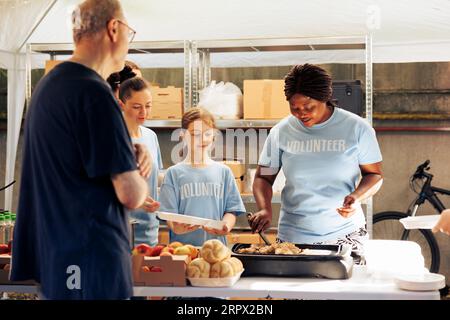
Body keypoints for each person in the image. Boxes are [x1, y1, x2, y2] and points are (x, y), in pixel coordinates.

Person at [11, 0, 151, 300]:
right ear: (114, 28)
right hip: (91, 260)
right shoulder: (94, 93)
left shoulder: (49, 86)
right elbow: (132, 193)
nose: (129, 42)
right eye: (130, 32)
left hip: (60, 258)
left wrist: (128, 151)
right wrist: (138, 171)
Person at [250, 64, 383, 256]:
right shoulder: (281, 131)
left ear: (325, 98)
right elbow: (264, 178)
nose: (301, 113)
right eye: (294, 108)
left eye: (308, 107)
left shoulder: (357, 128)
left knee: (348, 286)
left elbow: (374, 175)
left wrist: (356, 198)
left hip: (345, 234)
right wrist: (264, 209)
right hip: (293, 237)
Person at [158, 107, 246, 246]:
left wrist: (226, 225)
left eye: (207, 134)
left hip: (216, 249)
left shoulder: (224, 172)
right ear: (183, 135)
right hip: (183, 250)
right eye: (195, 134)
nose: (203, 139)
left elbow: (231, 210)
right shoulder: (173, 174)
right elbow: (168, 213)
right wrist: (175, 227)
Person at [119, 77, 162, 246]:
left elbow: (156, 176)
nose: (144, 112)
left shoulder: (150, 136)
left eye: (148, 105)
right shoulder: (113, 139)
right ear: (121, 104)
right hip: (121, 230)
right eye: (137, 107)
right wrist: (136, 200)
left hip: (150, 230)